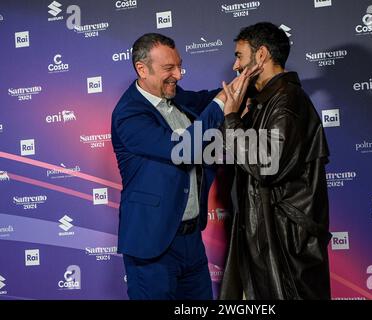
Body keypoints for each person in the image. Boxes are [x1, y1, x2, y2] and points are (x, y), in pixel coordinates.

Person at [111, 33, 255, 300]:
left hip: (190, 241)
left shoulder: (176, 97)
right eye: (169, 68)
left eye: (179, 66)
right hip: (152, 245)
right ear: (142, 69)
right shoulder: (129, 114)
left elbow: (210, 98)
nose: (178, 75)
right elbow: (183, 149)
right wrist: (223, 103)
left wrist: (250, 81)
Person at [219, 22, 332, 300]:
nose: (235, 65)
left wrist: (233, 118)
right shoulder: (264, 101)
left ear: (261, 56)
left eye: (239, 56)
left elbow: (267, 165)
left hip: (284, 241)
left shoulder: (287, 100)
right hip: (266, 234)